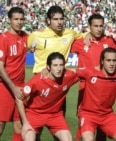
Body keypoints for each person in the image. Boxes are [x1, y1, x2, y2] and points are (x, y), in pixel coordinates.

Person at [71, 13, 116, 141]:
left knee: (103, 129)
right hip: (86, 89)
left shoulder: (110, 41)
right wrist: (84, 35)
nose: (98, 29)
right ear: (89, 26)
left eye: (101, 26)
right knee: (83, 127)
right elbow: (64, 43)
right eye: (95, 26)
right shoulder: (80, 43)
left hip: (105, 89)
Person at [15, 52, 79, 141]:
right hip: (34, 114)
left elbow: (83, 71)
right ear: (48, 67)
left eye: (61, 65)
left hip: (55, 115)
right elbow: (19, 98)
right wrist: (25, 122)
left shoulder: (68, 76)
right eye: (55, 65)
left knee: (67, 138)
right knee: (29, 138)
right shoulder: (37, 80)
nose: (59, 69)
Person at [77, 47, 116, 141]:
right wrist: (47, 71)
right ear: (102, 61)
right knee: (88, 139)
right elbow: (70, 72)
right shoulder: (90, 72)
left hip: (107, 115)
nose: (111, 64)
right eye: (108, 60)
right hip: (88, 114)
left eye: (114, 60)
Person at [27, 5, 86, 74]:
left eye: (61, 19)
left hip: (60, 78)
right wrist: (30, 49)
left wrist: (88, 35)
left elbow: (84, 35)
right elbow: (28, 48)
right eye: (55, 19)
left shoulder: (69, 33)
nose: (59, 22)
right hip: (41, 77)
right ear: (48, 21)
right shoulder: (36, 35)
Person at [0, 7, 28, 141]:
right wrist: (13, 88)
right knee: (0, 125)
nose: (19, 22)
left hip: (20, 87)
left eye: (22, 19)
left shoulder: (25, 37)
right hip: (4, 88)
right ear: (9, 20)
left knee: (19, 125)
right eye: (16, 19)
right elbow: (0, 68)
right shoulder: (3, 39)